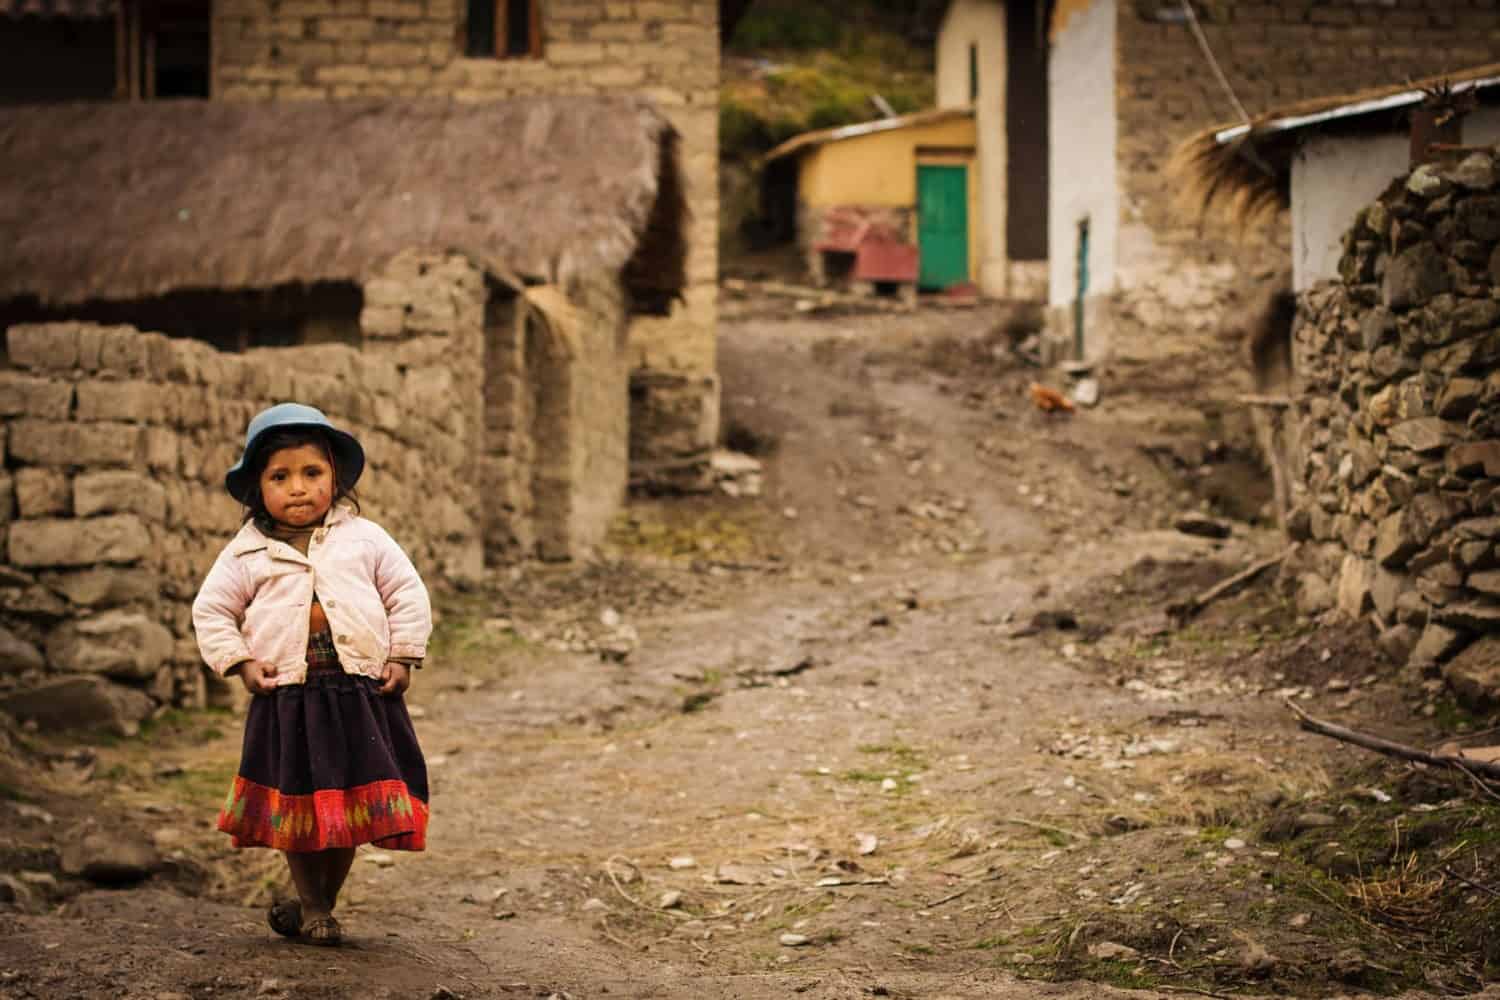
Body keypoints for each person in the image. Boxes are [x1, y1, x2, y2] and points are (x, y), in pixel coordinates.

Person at [192, 402, 432, 947]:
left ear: (335, 478)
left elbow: (406, 594)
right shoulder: (246, 553)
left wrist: (402, 654)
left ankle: (318, 904)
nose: (298, 488)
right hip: (289, 699)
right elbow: (212, 611)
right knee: (297, 803)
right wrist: (241, 661)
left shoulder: (366, 539)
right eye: (280, 477)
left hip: (358, 693)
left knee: (347, 804)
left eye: (312, 473)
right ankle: (315, 903)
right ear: (258, 488)